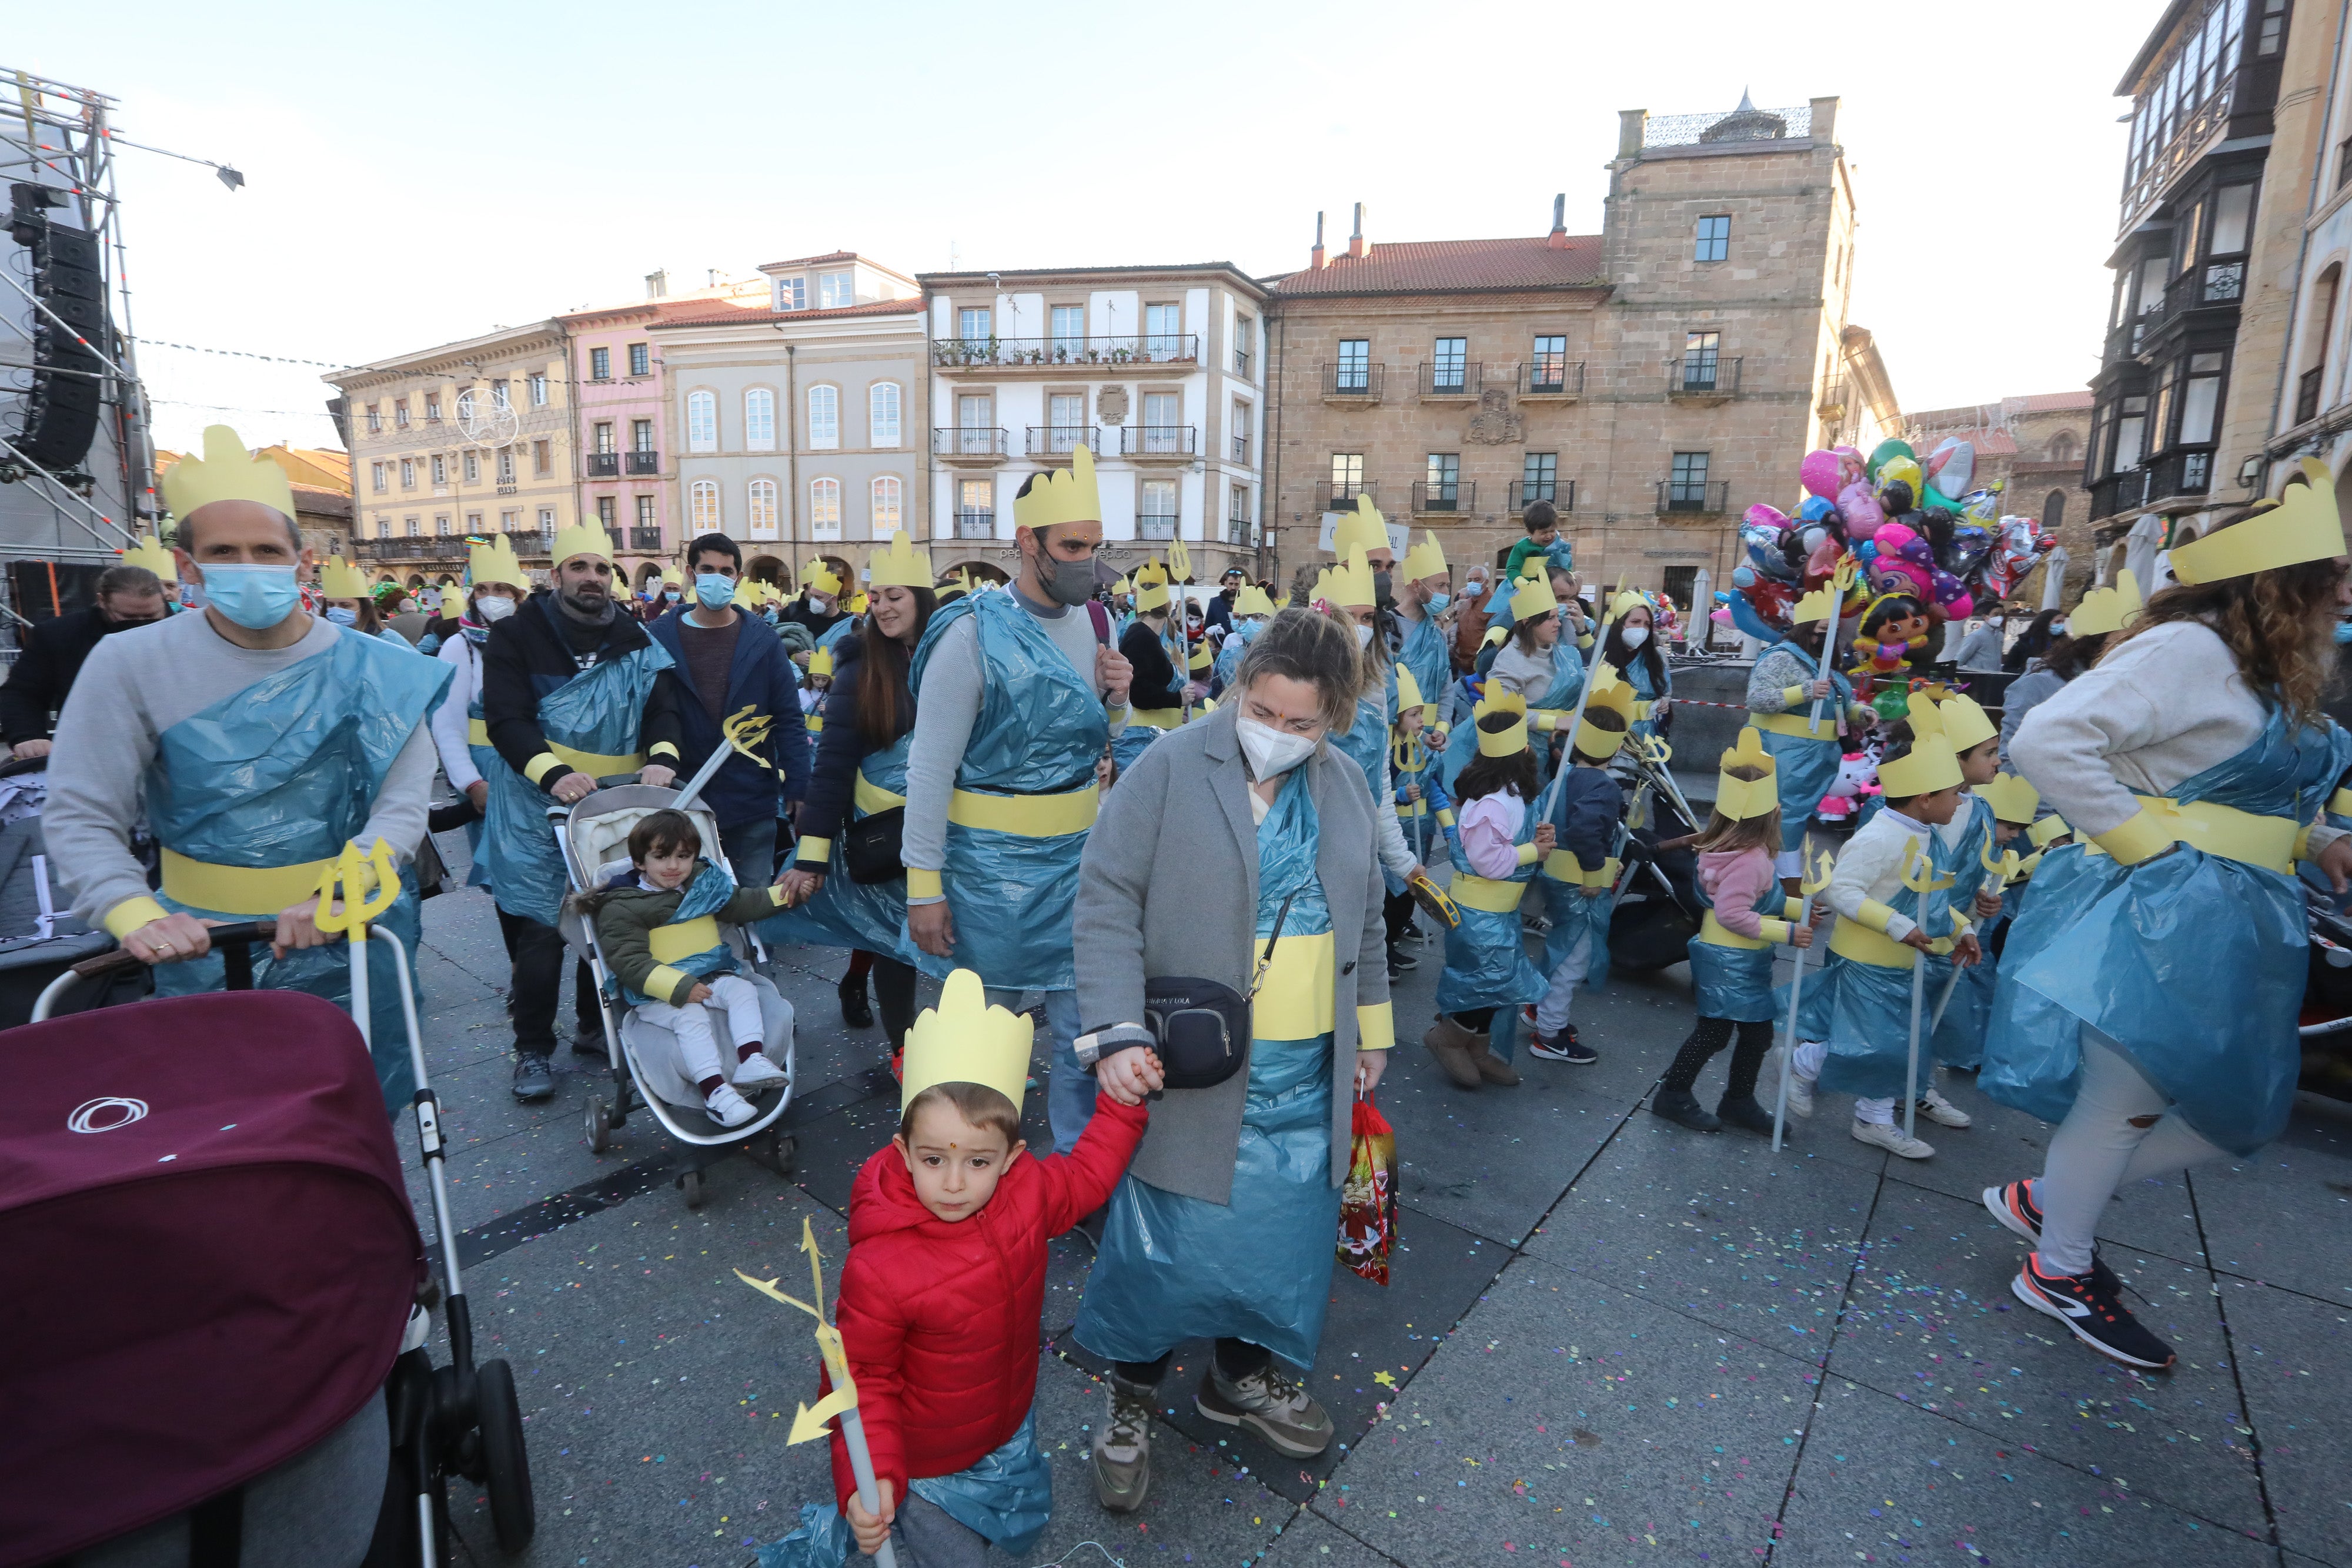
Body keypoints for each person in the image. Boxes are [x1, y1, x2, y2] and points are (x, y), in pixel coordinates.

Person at [1981, 477, 2352, 1369]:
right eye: (2333, 573)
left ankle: (2049, 1201)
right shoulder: (2186, 648)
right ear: (2279, 580)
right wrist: (2152, 851)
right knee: (2126, 1103)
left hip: (2233, 914)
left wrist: (2313, 838)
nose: (2346, 591)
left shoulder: (2253, 665)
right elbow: (2047, 740)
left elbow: (2219, 779)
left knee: (2240, 1109)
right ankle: (2057, 1267)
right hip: (2162, 911)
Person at [1071, 607, 1391, 1512]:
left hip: (1306, 1070)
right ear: (1238, 686)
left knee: (1280, 1244)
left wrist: (1370, 1035)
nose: (1281, 735)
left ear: (1333, 718)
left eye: (1304, 724)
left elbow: (1365, 919)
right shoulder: (1169, 765)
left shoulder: (1349, 784)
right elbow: (1104, 900)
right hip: (1192, 1066)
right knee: (1161, 1246)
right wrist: (1117, 1032)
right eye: (1265, 711)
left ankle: (1240, 1377)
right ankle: (1131, 1396)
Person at [45, 426, 449, 1111]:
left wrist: (343, 891)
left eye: (266, 550)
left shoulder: (384, 669)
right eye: (223, 552)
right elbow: (83, 811)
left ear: (303, 559)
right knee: (221, 1123)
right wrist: (133, 912)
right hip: (196, 941)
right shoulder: (129, 663)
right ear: (190, 566)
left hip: (352, 927)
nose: (247, 565)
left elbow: (403, 806)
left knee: (359, 1118)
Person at [784, 972, 1155, 1564]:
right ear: (904, 1152)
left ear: (1010, 1159)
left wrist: (1121, 1106)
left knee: (1003, 1536)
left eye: (977, 1161)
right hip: (924, 1464)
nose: (954, 1184)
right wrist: (870, 1477)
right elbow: (862, 1384)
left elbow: (1084, 1178)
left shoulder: (1025, 1191)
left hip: (1003, 1421)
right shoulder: (881, 1268)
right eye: (933, 1159)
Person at [903, 446, 1132, 1154]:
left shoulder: (1099, 624)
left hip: (1078, 867)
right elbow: (929, 768)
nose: (1086, 561)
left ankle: (1073, 1174)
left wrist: (1117, 701)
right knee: (975, 1034)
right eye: (1070, 546)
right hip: (985, 880)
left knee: (1080, 1036)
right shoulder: (971, 632)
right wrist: (924, 888)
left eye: (1095, 546)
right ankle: (962, 1172)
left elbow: (1097, 741)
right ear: (1026, 541)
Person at [480, 516, 685, 1102]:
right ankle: (533, 1050)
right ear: (557, 574)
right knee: (544, 935)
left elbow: (663, 710)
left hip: (614, 806)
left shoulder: (636, 639)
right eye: (580, 567)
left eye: (600, 567)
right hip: (535, 805)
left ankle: (594, 1028)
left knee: (609, 921)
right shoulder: (517, 636)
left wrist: (664, 759)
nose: (591, 577)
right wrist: (556, 775)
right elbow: (507, 719)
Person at [1776, 714, 1980, 1159]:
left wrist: (1962, 927)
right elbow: (1842, 890)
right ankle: (1805, 1065)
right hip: (1867, 958)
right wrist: (1898, 924)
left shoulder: (1927, 834)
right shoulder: (1879, 837)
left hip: (1904, 960)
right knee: (1878, 1041)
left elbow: (1936, 895)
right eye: (1954, 795)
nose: (1960, 802)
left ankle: (1873, 1116)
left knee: (1896, 1041)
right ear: (1925, 798)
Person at [767, 530, 937, 1068]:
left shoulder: (954, 657)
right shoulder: (860, 668)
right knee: (895, 936)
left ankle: (968, 1047)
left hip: (950, 825)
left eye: (897, 595)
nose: (884, 607)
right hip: (884, 831)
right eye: (877, 596)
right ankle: (906, 1050)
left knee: (959, 935)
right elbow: (833, 766)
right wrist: (812, 856)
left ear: (922, 599)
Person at [576, 808, 793, 1128]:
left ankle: (751, 1060)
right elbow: (628, 960)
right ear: (640, 862)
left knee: (742, 988)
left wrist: (787, 894)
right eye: (662, 857)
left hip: (710, 975)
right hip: (654, 993)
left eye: (684, 856)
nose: (674, 866)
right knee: (690, 1016)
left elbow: (742, 903)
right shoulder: (621, 905)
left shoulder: (704, 885)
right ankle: (716, 1094)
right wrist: (678, 988)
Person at [1653, 728, 1823, 1133]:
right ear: (1771, 813)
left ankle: (1739, 1099)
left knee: (1756, 1033)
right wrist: (1787, 933)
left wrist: (1802, 909)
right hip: (1732, 958)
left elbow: (1763, 900)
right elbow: (1732, 912)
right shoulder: (1751, 859)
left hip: (1736, 956)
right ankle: (1674, 1093)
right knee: (1714, 1032)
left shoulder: (1738, 852)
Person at [647, 531, 810, 889]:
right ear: (692, 574)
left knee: (750, 902)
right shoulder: (658, 636)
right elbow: (646, 712)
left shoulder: (763, 639)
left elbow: (788, 718)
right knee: (688, 907)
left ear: (737, 578)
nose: (717, 578)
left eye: (726, 571)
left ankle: (753, 950)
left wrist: (799, 786)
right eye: (708, 569)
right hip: (682, 797)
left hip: (750, 798)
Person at [1424, 690, 1555, 1090]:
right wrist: (1534, 849)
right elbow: (1489, 862)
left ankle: (1477, 1048)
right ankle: (1448, 1038)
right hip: (1480, 913)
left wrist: (1538, 839)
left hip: (1500, 913)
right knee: (1484, 982)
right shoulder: (1493, 805)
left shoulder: (1513, 795)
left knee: (1501, 981)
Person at [1525, 677, 1633, 1065]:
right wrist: (1594, 872)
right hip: (1579, 885)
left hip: (1556, 876)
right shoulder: (1604, 787)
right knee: (1574, 957)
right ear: (1617, 745)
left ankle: (1539, 1008)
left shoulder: (1565, 776)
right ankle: (1550, 1033)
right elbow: (1585, 830)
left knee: (1559, 944)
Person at [427, 538, 527, 894]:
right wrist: (470, 783)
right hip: (487, 774)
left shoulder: (534, 640)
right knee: (505, 881)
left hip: (535, 772)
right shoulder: (460, 646)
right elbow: (446, 723)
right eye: (483, 589)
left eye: (501, 588)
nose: (491, 597)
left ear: (517, 594)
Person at [0, 556, 169, 758]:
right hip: (95, 753)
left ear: (164, 600)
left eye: (151, 617)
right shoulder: (60, 635)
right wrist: (27, 736)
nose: (141, 624)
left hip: (177, 753)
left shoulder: (187, 631)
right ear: (102, 602)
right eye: (128, 618)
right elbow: (22, 693)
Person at [1743, 593, 1856, 884]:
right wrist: (1803, 692)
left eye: (1832, 633)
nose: (1827, 639)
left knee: (1794, 817)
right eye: (1821, 632)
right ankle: (1782, 880)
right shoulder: (1781, 658)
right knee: (1783, 816)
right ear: (1806, 630)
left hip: (1816, 757)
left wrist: (1860, 714)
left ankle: (1780, 877)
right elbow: (1757, 699)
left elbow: (1840, 703)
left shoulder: (1823, 664)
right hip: (1785, 754)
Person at [1997, 574, 2136, 768]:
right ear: (2097, 642)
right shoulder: (2037, 685)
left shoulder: (2124, 686)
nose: (2132, 649)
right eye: (2123, 642)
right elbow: (2012, 756)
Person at [1111, 576, 1188, 774]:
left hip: (1148, 739)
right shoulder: (1142, 637)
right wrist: (1179, 698)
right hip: (1138, 742)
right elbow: (1138, 691)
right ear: (1167, 607)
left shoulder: (1146, 636)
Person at [1389, 531, 1454, 710]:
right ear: (1417, 585)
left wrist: (1442, 727)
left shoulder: (1438, 636)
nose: (1446, 593)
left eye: (1447, 585)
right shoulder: (1387, 629)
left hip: (1431, 733)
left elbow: (1446, 689)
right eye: (1440, 585)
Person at [1602, 590, 1671, 747]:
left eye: (1647, 624)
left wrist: (1664, 703)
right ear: (1620, 624)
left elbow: (1666, 691)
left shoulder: (1656, 658)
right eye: (1635, 622)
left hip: (1649, 737)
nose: (1642, 629)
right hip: (1611, 735)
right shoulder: (1601, 657)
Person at [317, 557, 422, 650]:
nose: (336, 611)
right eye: (330, 605)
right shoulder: (320, 640)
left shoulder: (387, 639)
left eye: (345, 606)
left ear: (363, 607)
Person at [781, 560, 850, 661]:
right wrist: (795, 657)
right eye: (812, 596)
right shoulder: (802, 620)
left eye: (819, 597)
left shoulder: (850, 623)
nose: (814, 601)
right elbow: (781, 648)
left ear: (833, 599)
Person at [1502, 499, 1576, 587]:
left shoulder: (1560, 546)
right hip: (1526, 591)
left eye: (1552, 531)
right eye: (1544, 533)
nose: (1549, 536)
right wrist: (1525, 585)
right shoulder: (1522, 547)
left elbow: (1567, 569)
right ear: (1530, 532)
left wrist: (1572, 582)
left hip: (1555, 591)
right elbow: (1512, 569)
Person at [2001, 606, 2064, 673]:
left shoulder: (2064, 643)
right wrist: (2025, 673)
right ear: (2045, 623)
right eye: (2057, 622)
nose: (2061, 625)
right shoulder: (2024, 644)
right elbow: (2008, 668)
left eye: (2063, 622)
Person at [1949, 606, 2010, 672]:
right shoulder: (1976, 636)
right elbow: (1960, 660)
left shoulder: (2000, 635)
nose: (1999, 617)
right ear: (1984, 616)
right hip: (1978, 677)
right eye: (1996, 614)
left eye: (2002, 615)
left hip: (1995, 677)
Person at [1206, 566, 1244, 635]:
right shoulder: (1215, 603)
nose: (1233, 587)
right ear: (1225, 583)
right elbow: (1208, 625)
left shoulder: (1245, 602)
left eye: (1236, 584)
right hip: (1219, 643)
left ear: (1240, 585)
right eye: (1231, 584)